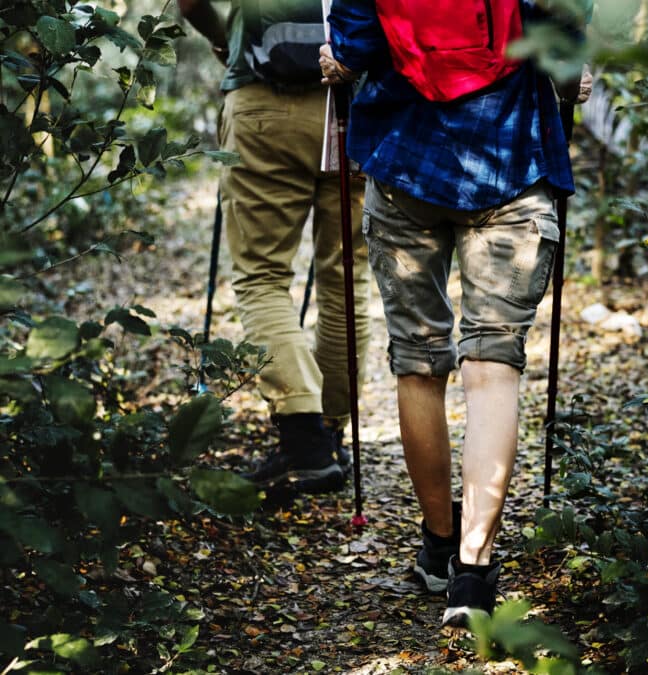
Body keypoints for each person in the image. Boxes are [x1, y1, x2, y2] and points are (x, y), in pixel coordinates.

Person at [320, 0, 582, 628]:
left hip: (404, 162)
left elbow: (353, 45)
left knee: (418, 361)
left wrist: (337, 62)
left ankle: (438, 544)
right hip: (512, 159)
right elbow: (567, 32)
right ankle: (473, 571)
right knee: (493, 365)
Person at [179, 0, 370, 493]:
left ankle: (304, 440)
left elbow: (190, 2)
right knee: (346, 274)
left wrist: (223, 39)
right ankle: (330, 431)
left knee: (261, 275)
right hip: (357, 102)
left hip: (265, 99)